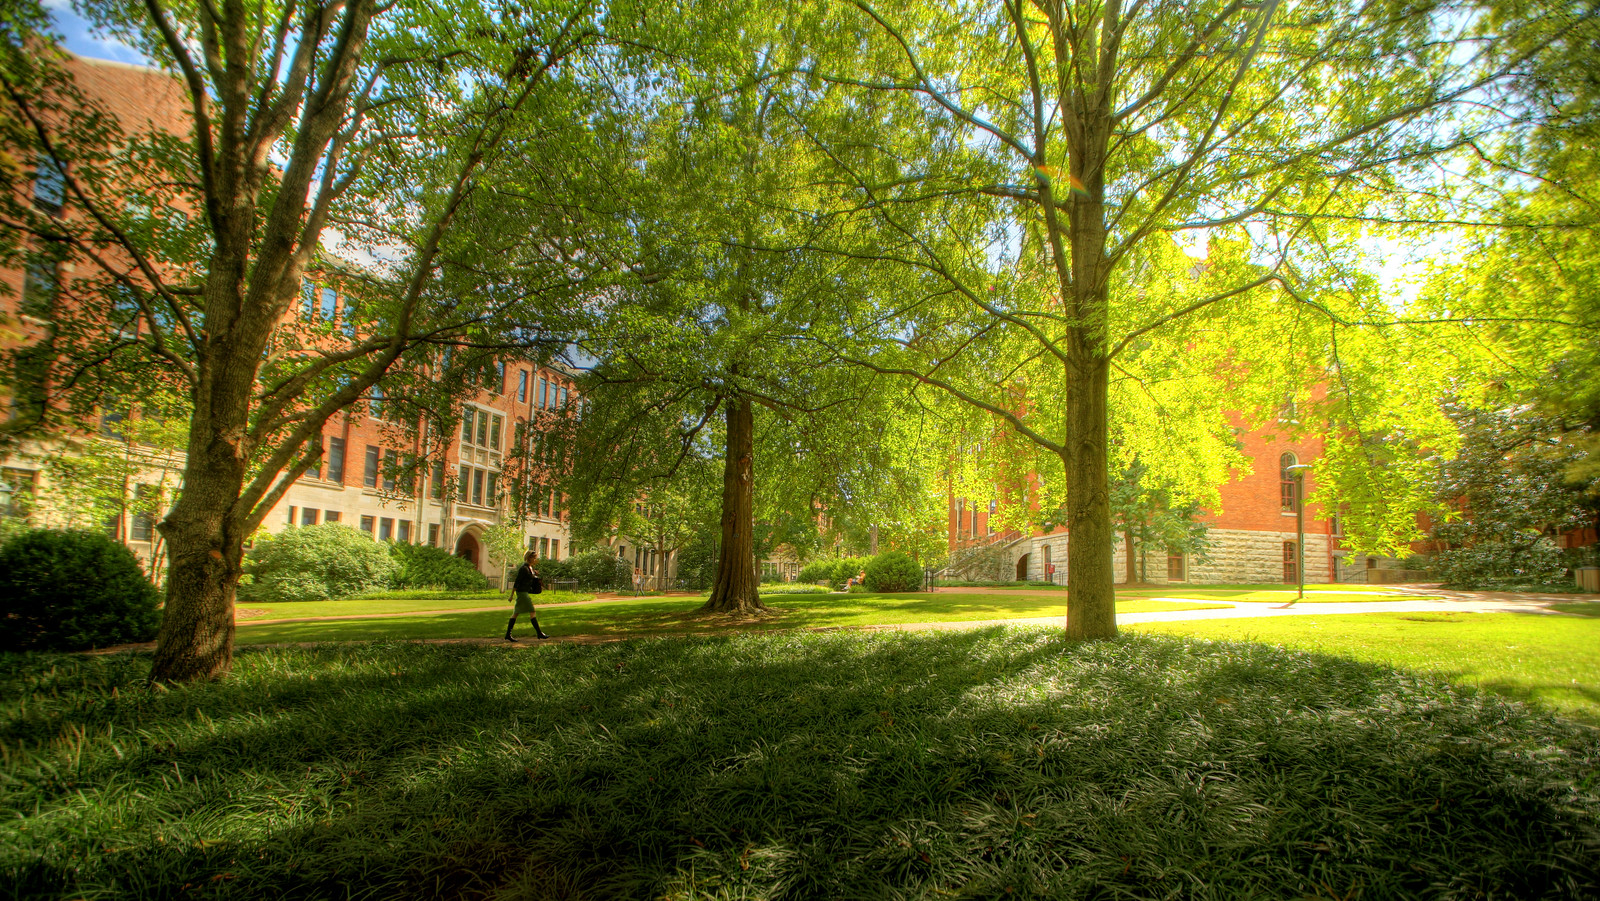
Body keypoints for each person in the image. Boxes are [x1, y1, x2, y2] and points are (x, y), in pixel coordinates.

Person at [506, 551, 549, 641]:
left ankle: (508, 635)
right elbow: (517, 582)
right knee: (532, 611)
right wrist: (511, 595)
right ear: (529, 558)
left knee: (515, 613)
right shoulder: (524, 568)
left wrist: (535, 575)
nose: (535, 559)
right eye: (534, 558)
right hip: (522, 593)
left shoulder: (530, 568)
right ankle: (539, 633)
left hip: (524, 592)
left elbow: (530, 579)